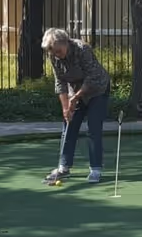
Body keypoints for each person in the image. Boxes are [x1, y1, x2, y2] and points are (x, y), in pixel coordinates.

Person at [41, 28, 111, 184]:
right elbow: (60, 82)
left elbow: (92, 78)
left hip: (97, 90)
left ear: (65, 43)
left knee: (93, 128)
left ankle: (95, 169)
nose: (56, 55)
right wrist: (66, 107)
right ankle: (63, 168)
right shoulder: (54, 57)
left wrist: (75, 98)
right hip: (75, 90)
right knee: (69, 125)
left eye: (58, 51)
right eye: (53, 52)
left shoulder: (82, 49)